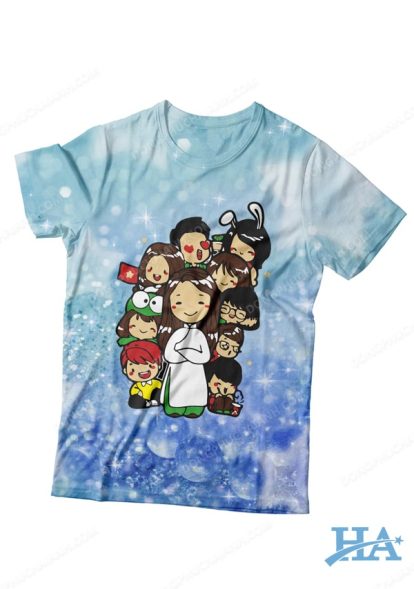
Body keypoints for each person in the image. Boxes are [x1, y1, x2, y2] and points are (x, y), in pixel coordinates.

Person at [158, 268, 220, 418]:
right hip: (177, 369)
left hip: (195, 371)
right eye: (179, 302)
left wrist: (183, 351)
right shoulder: (176, 333)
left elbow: (204, 356)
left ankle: (194, 407)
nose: (190, 308)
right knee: (175, 390)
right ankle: (175, 406)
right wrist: (189, 353)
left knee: (195, 389)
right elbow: (169, 355)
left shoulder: (200, 335)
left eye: (200, 301)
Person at [120, 340, 163, 409]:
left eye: (149, 365)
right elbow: (135, 397)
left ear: (159, 366)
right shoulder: (136, 387)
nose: (142, 368)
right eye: (133, 367)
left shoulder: (158, 383)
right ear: (125, 370)